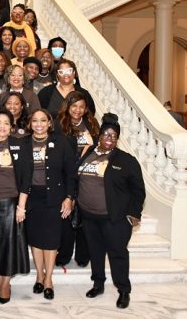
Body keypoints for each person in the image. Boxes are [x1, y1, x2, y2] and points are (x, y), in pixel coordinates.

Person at [78, 113, 145, 309]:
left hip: (114, 218)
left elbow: (138, 190)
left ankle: (124, 290)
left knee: (117, 254)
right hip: (89, 216)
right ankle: (98, 284)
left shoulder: (126, 160)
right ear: (99, 135)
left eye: (114, 136)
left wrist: (134, 214)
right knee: (96, 252)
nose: (110, 139)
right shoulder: (88, 152)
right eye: (106, 134)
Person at [25, 109, 76, 300]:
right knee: (36, 239)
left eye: (43, 120)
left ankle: (49, 280)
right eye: (35, 120)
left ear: (49, 123)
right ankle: (39, 275)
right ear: (30, 124)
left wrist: (69, 197)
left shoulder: (61, 142)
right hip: (32, 198)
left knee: (51, 240)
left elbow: (71, 173)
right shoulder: (24, 143)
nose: (39, 124)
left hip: (55, 196)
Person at [0, 110, 30, 304]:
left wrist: (21, 207)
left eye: (5, 123)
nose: (1, 126)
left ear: (11, 126)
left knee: (7, 245)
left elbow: (26, 178)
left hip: (9, 202)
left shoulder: (19, 145)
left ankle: (6, 284)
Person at [55, 90, 99, 268]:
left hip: (88, 177)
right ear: (68, 106)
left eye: (81, 106)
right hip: (66, 176)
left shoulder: (92, 124)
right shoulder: (59, 125)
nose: (77, 110)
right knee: (66, 216)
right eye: (74, 106)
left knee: (86, 217)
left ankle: (83, 254)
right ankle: (64, 253)